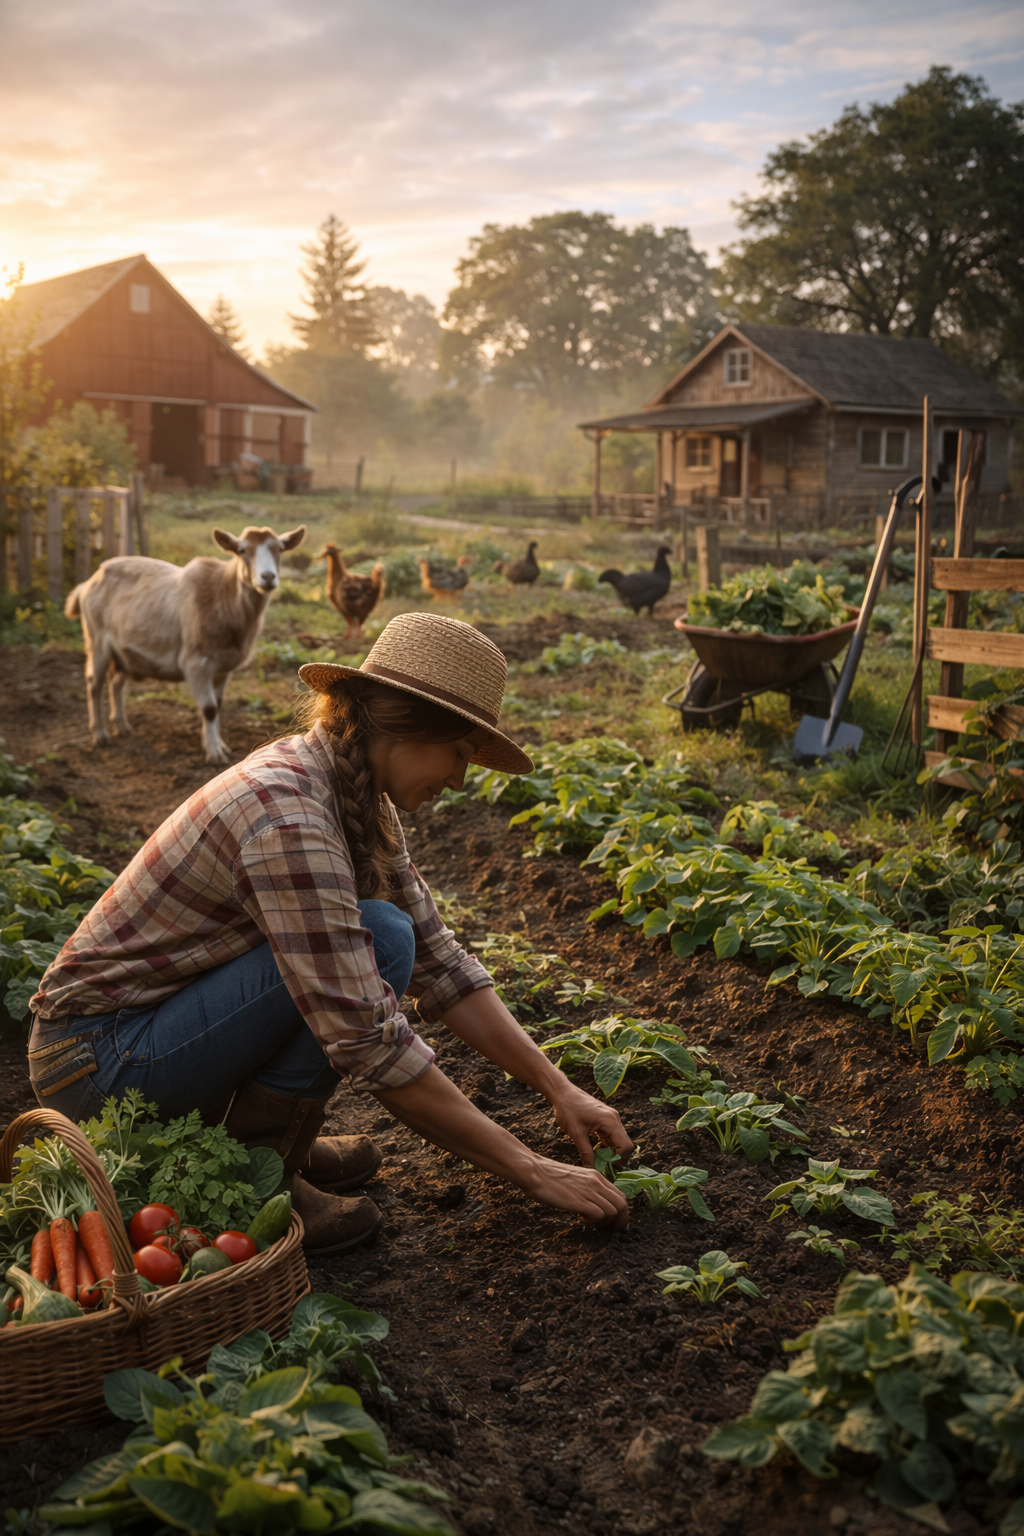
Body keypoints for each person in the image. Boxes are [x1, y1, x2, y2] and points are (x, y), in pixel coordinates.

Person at [28, 612, 632, 1253]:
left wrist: (559, 1089)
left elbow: (440, 961)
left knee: (391, 935)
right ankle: (261, 1174)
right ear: (405, 725)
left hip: (150, 1029)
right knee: (379, 939)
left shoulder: (351, 789)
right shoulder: (289, 819)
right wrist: (532, 1171)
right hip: (98, 1066)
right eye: (459, 754)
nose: (460, 780)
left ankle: (266, 1147)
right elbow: (366, 1041)